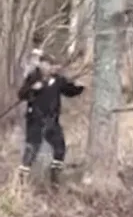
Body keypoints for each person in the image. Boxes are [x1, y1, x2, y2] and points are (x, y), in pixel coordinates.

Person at [16, 50, 86, 186]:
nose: (50, 67)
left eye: (52, 65)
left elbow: (69, 91)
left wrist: (80, 87)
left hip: (52, 120)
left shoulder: (58, 79)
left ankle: (54, 177)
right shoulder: (33, 77)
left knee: (60, 148)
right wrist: (32, 89)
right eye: (47, 64)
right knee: (32, 148)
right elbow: (21, 95)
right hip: (35, 119)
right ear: (41, 64)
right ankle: (22, 179)